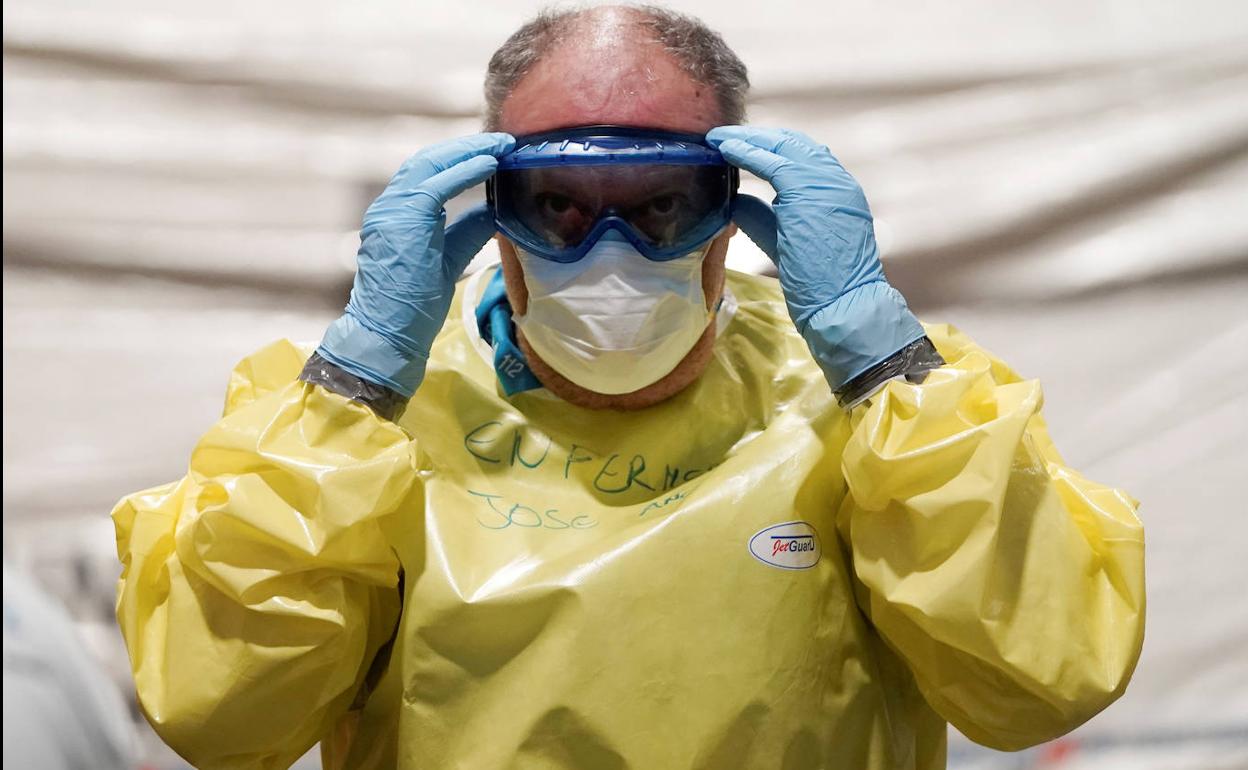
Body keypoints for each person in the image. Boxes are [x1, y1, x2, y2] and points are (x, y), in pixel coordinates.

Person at [111, 5, 1145, 770]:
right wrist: (358, 379)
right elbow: (224, 719)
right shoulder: (355, 423)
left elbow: (1036, 682)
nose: (606, 252)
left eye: (662, 203)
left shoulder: (885, 410)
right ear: (488, 201)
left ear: (731, 204)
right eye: (554, 201)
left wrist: (881, 361)